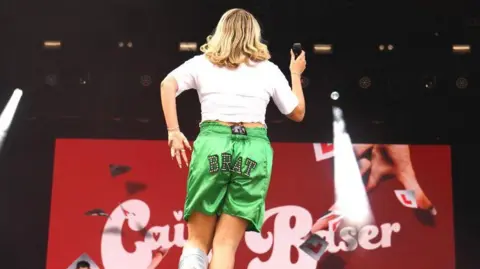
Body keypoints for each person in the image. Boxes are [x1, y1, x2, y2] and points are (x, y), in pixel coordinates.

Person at [160, 8, 306, 269]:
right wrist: (295, 72)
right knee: (225, 244)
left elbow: (166, 84)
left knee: (197, 239)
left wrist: (174, 131)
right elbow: (297, 112)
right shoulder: (269, 70)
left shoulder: (202, 63)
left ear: (220, 32)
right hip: (253, 148)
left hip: (214, 143)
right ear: (254, 35)